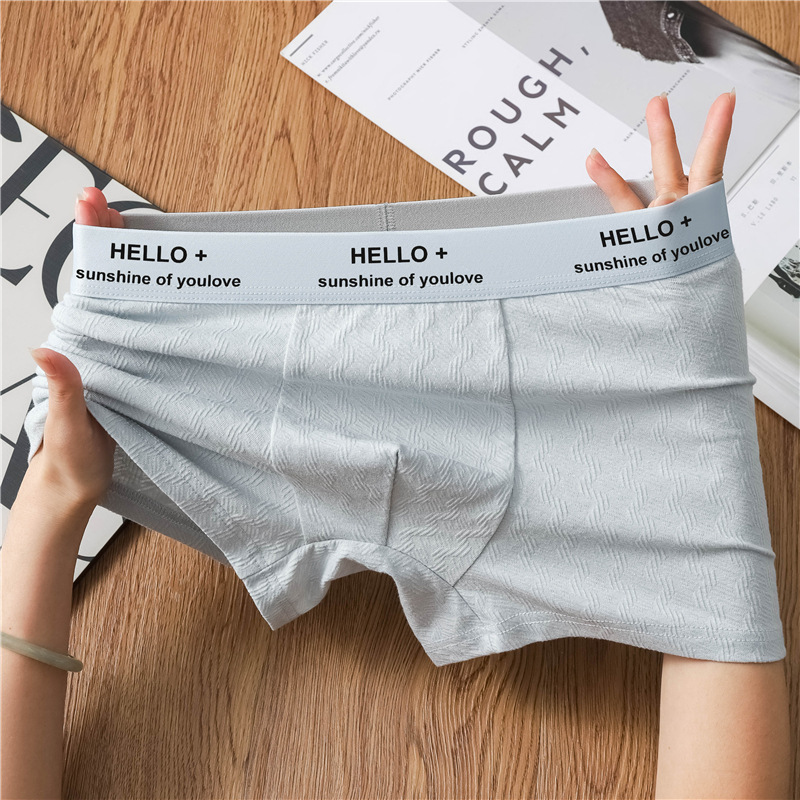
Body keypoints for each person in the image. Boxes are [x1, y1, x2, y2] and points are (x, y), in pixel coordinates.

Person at [0, 89, 791, 800]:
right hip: (564, 364)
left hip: (193, 339)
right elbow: (709, 610)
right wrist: (684, 365)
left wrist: (55, 493)